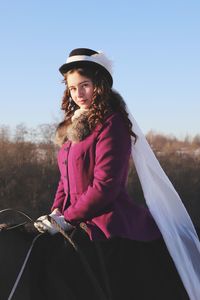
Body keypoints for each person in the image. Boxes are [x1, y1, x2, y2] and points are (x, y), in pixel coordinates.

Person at [34, 48, 199, 300]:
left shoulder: (112, 124)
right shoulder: (73, 128)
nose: (78, 94)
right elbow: (65, 182)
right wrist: (56, 213)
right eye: (73, 87)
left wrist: (68, 217)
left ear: (99, 85)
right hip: (76, 219)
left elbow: (106, 186)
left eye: (85, 85)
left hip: (108, 224)